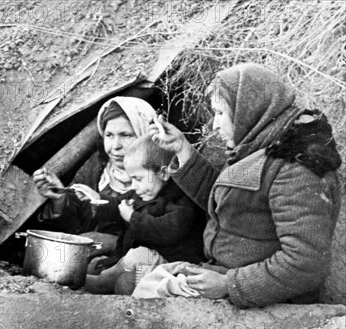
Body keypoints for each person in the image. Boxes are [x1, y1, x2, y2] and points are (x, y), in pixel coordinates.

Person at [134, 63, 342, 308]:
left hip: (266, 299)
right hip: (227, 276)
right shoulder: (260, 145)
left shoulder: (296, 166)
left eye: (220, 114)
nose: (214, 126)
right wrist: (182, 149)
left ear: (248, 110)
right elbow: (228, 203)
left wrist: (228, 284)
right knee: (138, 281)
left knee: (144, 297)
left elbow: (305, 263)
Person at [32, 96, 158, 271]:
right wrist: (60, 199)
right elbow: (74, 228)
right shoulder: (97, 167)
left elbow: (166, 233)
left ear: (145, 134)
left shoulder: (156, 177)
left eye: (126, 135)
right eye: (109, 135)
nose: (115, 146)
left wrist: (112, 242)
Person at [85, 137, 205, 295]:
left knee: (133, 264)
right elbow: (118, 205)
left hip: (172, 265)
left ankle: (102, 282)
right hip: (147, 261)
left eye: (138, 178)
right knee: (97, 265)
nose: (134, 186)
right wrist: (97, 201)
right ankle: (108, 276)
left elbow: (167, 230)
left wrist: (133, 218)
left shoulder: (181, 201)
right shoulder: (145, 192)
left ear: (163, 173)